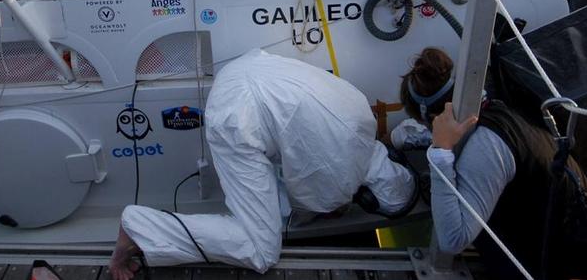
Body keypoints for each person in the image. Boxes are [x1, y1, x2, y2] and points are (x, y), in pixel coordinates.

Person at [109, 49, 415, 279]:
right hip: (238, 120)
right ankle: (140, 228)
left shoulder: (361, 115)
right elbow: (312, 207)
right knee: (262, 249)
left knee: (283, 186)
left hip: (246, 71)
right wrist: (331, 207)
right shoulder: (339, 180)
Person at [402, 47, 587, 280]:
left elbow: (453, 240)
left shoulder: (485, 149)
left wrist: (440, 153)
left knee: (482, 232)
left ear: (435, 120)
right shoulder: (496, 108)